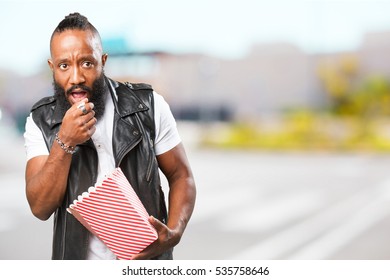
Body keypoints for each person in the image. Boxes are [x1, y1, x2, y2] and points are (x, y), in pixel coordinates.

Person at [23, 12, 196, 260]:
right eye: (64, 66)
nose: (76, 78)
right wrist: (65, 141)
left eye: (86, 63)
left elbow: (181, 175)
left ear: (102, 61)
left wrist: (174, 232)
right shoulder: (40, 121)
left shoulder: (148, 105)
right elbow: (40, 207)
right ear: (52, 67)